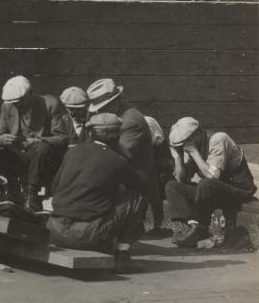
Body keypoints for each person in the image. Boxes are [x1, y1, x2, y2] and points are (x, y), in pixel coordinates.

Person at [47, 113, 148, 274]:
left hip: (55, 230)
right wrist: (125, 154)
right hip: (86, 236)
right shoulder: (117, 160)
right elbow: (142, 184)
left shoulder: (72, 153)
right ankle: (121, 256)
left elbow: (55, 186)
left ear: (90, 133)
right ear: (117, 136)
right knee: (136, 196)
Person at [165, 117, 257, 248]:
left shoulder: (218, 139)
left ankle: (201, 230)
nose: (184, 147)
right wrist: (178, 157)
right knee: (172, 186)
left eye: (185, 142)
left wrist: (194, 152)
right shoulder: (191, 146)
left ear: (198, 133)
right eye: (180, 145)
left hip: (238, 190)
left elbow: (212, 176)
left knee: (206, 184)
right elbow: (181, 179)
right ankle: (188, 226)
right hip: (214, 191)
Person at [0, 76, 70, 212]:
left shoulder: (50, 104)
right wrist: (0, 139)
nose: (17, 106)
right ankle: (0, 191)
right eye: (14, 103)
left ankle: (32, 196)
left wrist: (38, 140)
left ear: (30, 94)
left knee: (41, 148)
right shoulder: (8, 106)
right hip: (18, 154)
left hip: (42, 157)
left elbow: (62, 138)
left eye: (20, 102)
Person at [86, 78, 159, 232]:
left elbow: (117, 156)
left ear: (114, 102)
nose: (99, 112)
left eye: (102, 108)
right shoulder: (118, 116)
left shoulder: (130, 122)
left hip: (130, 183)